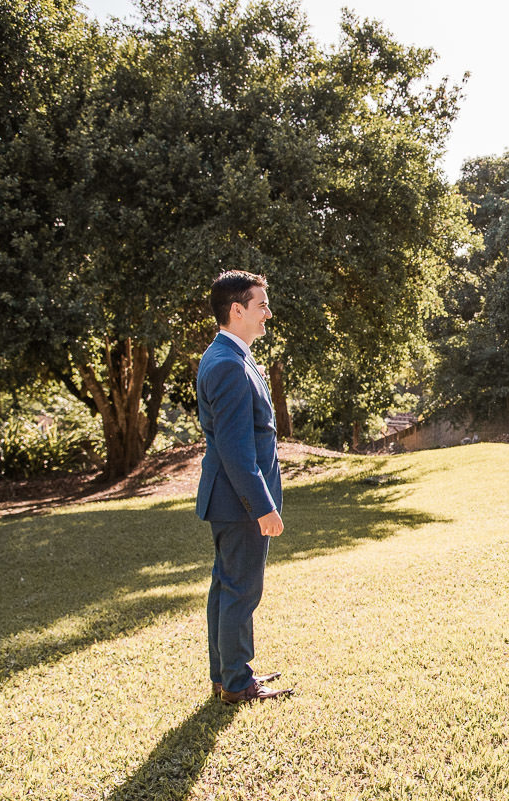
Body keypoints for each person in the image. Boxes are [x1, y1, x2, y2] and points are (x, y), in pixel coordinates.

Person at [196, 270, 293, 703]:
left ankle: (228, 674)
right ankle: (236, 683)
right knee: (240, 589)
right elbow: (237, 450)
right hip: (239, 502)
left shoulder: (229, 355)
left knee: (227, 586)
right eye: (261, 305)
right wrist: (263, 506)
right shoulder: (228, 364)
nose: (268, 314)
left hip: (230, 500)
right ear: (237, 310)